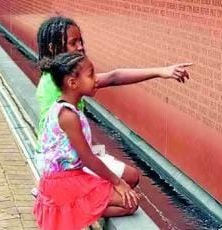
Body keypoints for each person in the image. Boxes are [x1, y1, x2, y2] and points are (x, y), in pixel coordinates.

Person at [35, 16, 192, 187]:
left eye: (81, 41)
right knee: (130, 179)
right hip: (61, 165)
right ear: (52, 48)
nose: (80, 47)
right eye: (73, 43)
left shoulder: (59, 77)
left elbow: (114, 77)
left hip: (64, 156)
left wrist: (161, 71)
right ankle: (65, 200)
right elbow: (112, 78)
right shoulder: (55, 84)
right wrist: (115, 180)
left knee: (125, 180)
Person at [33, 52, 141, 230]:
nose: (96, 80)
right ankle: (77, 209)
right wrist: (118, 182)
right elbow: (88, 158)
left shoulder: (66, 108)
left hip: (68, 178)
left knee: (131, 202)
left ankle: (78, 210)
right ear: (72, 83)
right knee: (131, 203)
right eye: (91, 75)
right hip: (63, 183)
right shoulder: (67, 116)